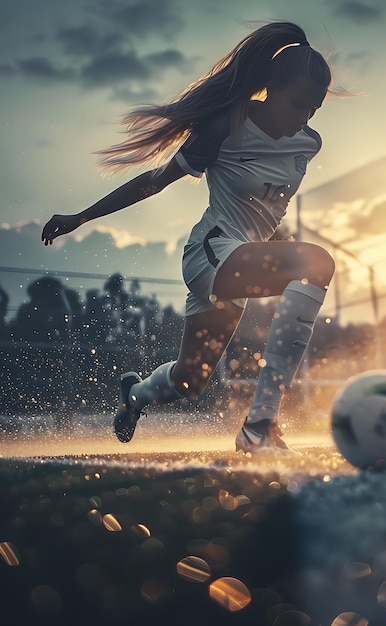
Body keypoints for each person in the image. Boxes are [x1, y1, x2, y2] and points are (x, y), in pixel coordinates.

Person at [41, 21, 339, 454]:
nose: (304, 117)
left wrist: (275, 249)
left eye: (313, 108)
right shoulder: (226, 126)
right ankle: (260, 426)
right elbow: (155, 182)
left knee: (189, 380)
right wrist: (82, 216)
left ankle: (134, 395)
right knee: (318, 264)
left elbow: (266, 210)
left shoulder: (308, 144)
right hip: (211, 252)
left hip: (241, 261)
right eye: (298, 104)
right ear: (271, 85)